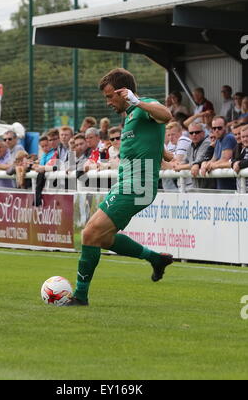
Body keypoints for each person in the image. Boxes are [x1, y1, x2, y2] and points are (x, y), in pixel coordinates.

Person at [66, 68, 173, 307]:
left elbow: (165, 115)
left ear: (124, 93)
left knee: (89, 234)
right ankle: (156, 259)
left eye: (109, 96)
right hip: (125, 184)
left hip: (137, 185)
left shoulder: (144, 105)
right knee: (102, 239)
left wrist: (137, 101)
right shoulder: (133, 115)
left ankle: (80, 296)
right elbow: (153, 134)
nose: (108, 102)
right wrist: (164, 151)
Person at [201, 116, 237, 190]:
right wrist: (204, 164)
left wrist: (210, 165)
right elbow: (214, 158)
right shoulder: (217, 140)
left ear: (226, 127)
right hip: (222, 183)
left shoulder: (228, 137)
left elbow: (225, 159)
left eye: (219, 128)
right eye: (214, 128)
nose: (216, 130)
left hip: (231, 184)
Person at [173, 123, 213, 189]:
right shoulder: (190, 146)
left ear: (203, 133)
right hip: (197, 186)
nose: (194, 135)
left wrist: (180, 167)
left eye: (197, 132)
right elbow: (184, 161)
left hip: (210, 188)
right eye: (191, 133)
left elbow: (199, 160)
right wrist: (178, 164)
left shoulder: (207, 142)